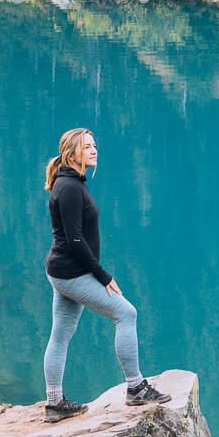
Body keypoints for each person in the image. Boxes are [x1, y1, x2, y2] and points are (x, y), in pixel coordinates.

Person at [42, 126, 167, 420]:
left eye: (94, 145)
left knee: (60, 334)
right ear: (72, 153)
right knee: (126, 314)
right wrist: (102, 275)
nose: (94, 150)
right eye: (87, 147)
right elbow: (74, 240)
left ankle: (54, 404)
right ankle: (136, 388)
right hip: (72, 273)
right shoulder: (70, 187)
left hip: (63, 271)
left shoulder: (70, 182)